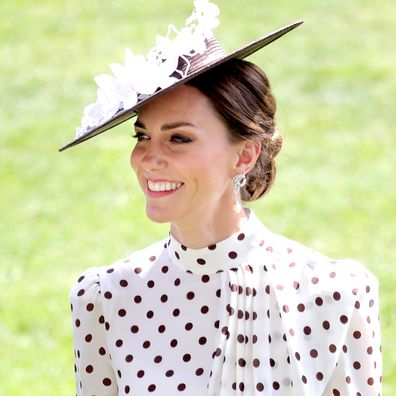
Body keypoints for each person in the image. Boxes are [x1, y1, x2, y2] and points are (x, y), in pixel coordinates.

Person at [63, 1, 382, 395]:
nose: (149, 159)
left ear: (244, 155)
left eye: (178, 138)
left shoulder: (335, 293)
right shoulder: (105, 299)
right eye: (142, 135)